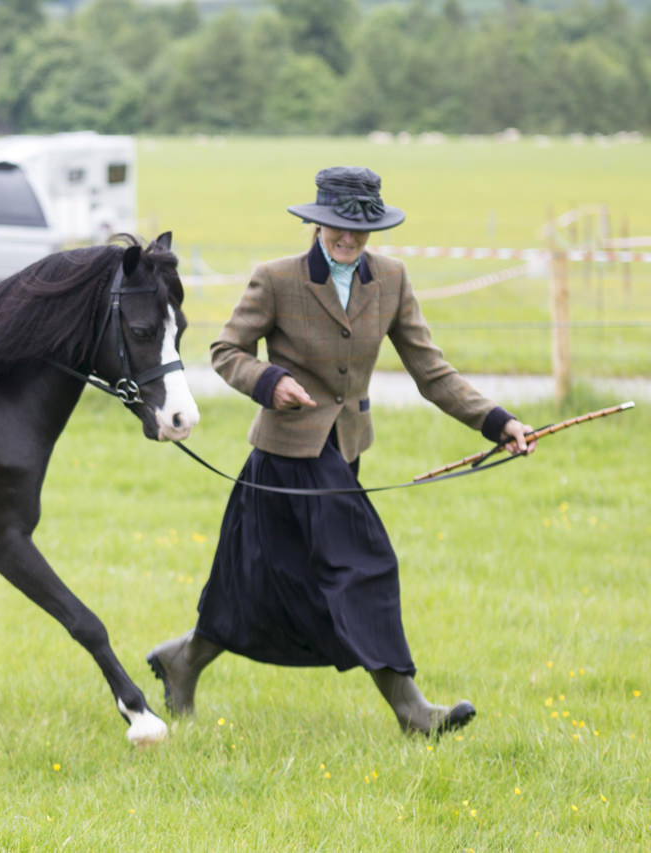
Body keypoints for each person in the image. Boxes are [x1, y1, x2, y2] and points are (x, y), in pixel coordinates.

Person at [146, 167, 535, 738]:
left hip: (344, 453)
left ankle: (183, 659)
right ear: (316, 223)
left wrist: (498, 422)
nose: (347, 241)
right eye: (335, 229)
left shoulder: (394, 280)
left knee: (261, 582)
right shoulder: (275, 279)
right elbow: (226, 350)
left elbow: (430, 369)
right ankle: (414, 712)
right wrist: (269, 382)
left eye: (359, 231)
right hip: (283, 456)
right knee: (365, 566)